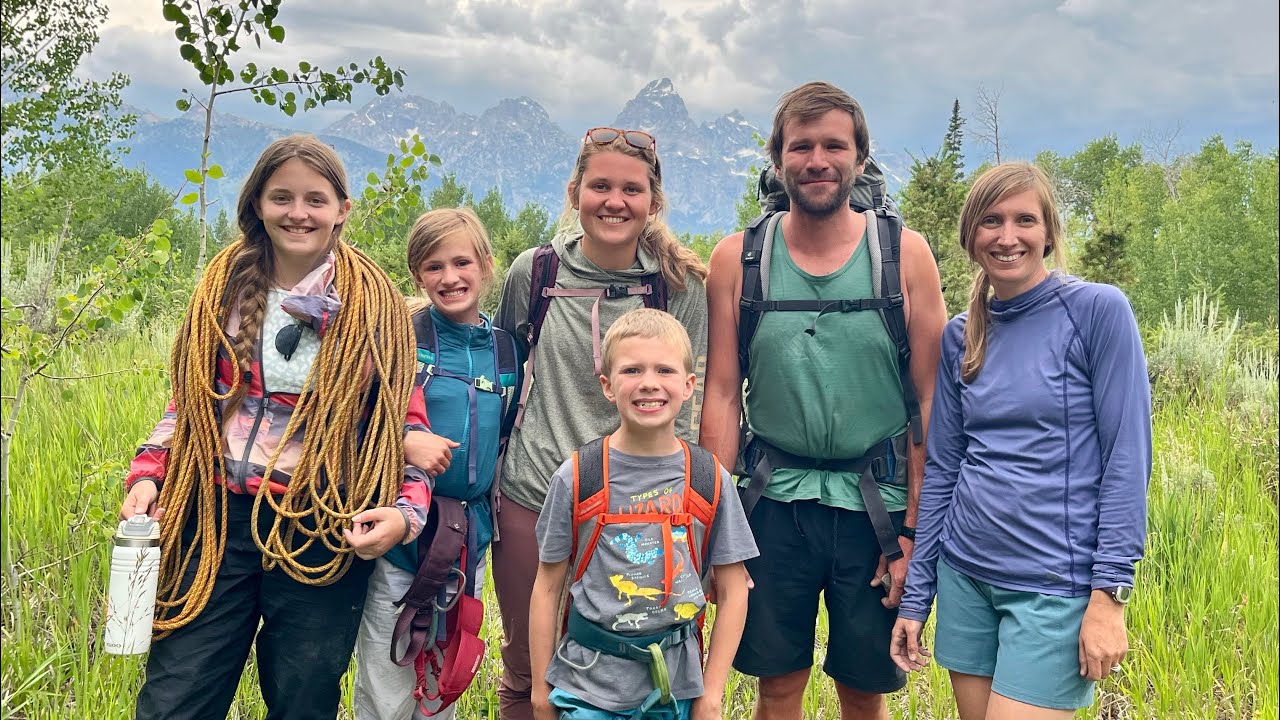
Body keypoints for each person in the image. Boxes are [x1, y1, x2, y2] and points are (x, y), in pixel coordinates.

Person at [119, 134, 440, 720]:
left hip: (322, 521)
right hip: (212, 517)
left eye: (315, 199)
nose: (298, 213)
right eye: (282, 197)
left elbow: (402, 423)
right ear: (257, 205)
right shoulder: (220, 294)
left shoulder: (376, 310)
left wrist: (404, 513)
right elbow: (187, 408)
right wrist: (149, 474)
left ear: (342, 210)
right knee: (176, 696)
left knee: (303, 698)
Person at [699, 81, 947, 720]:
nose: (817, 160)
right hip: (770, 502)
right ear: (777, 159)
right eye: (801, 146)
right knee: (777, 682)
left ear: (860, 159)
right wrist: (708, 525)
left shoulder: (904, 256)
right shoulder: (738, 260)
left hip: (879, 510)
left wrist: (916, 533)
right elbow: (722, 395)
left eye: (834, 145)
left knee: (863, 689)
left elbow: (929, 402)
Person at [891, 162, 1152, 719]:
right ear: (971, 236)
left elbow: (1127, 459)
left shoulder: (1097, 312)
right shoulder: (962, 333)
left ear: (1049, 232)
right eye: (991, 221)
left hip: (1053, 585)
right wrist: (919, 596)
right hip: (966, 576)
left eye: (1024, 220)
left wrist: (1110, 597)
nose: (1008, 237)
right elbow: (944, 469)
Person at [491, 127, 710, 720]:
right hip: (534, 493)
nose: (615, 201)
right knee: (525, 671)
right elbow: (509, 372)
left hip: (637, 506)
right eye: (601, 185)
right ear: (575, 192)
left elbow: (691, 398)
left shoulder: (680, 286)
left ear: (653, 202)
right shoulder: (533, 274)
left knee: (628, 668)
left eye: (632, 189)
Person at [528, 308, 757, 720]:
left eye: (665, 370)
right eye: (631, 370)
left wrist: (713, 692)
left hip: (676, 690)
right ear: (607, 386)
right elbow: (547, 587)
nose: (649, 383)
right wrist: (541, 690)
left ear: (689, 386)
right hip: (586, 686)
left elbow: (734, 588)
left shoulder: (708, 479)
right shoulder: (578, 476)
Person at [354, 208, 520, 719]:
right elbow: (351, 423)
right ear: (417, 276)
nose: (450, 278)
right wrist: (403, 441)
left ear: (487, 265)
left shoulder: (508, 351)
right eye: (433, 267)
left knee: (442, 676)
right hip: (401, 533)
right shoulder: (400, 338)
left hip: (466, 540)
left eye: (462, 262)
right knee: (388, 671)